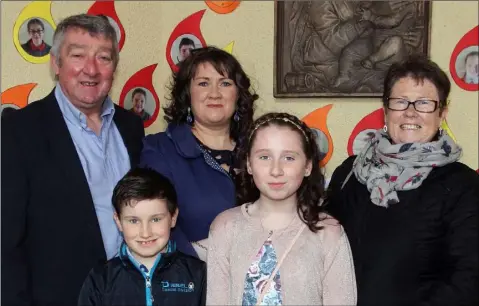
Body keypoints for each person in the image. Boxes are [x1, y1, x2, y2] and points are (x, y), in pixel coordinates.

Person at [2, 14, 145, 306]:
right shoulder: (19, 131)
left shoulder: (132, 126)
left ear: (114, 68)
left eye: (103, 58)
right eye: (78, 55)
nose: (91, 69)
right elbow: (5, 242)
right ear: (56, 64)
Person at [326, 55, 479, 305]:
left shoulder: (462, 185)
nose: (410, 113)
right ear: (385, 110)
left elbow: (468, 279)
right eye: (400, 102)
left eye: (424, 103)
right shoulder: (350, 173)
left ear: (442, 113)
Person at [207, 112, 357, 305]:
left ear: (308, 167)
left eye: (288, 158)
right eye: (264, 157)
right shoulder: (225, 227)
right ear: (249, 164)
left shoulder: (328, 232)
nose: (276, 170)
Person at [139, 46, 258, 261]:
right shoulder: (159, 150)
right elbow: (152, 227)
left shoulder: (259, 150)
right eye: (203, 83)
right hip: (191, 283)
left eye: (225, 83)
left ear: (238, 94)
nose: (215, 93)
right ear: (188, 94)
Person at [78, 168, 206, 306]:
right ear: (118, 221)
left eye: (156, 219)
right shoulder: (101, 279)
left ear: (173, 217)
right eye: (134, 221)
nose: (145, 233)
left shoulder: (197, 273)